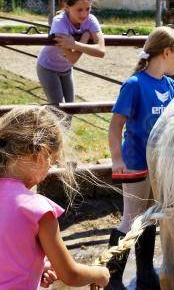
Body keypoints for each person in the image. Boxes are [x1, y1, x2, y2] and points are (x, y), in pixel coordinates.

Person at [107, 26, 174, 290]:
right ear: (166, 52)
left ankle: (144, 272)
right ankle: (113, 276)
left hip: (161, 165)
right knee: (131, 218)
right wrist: (117, 159)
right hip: (136, 161)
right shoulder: (135, 85)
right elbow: (116, 125)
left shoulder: (173, 86)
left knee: (151, 217)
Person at [0, 106, 110, 288]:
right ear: (41, 154)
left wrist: (36, 266)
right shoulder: (37, 210)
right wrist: (100, 274)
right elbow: (71, 274)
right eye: (51, 163)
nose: (48, 171)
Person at [37, 0, 105, 104]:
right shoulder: (60, 21)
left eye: (88, 9)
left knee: (69, 109)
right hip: (48, 67)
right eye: (79, 10)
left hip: (66, 69)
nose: (84, 14)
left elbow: (101, 51)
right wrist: (84, 38)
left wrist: (75, 44)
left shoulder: (91, 20)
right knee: (58, 109)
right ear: (67, 6)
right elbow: (72, 58)